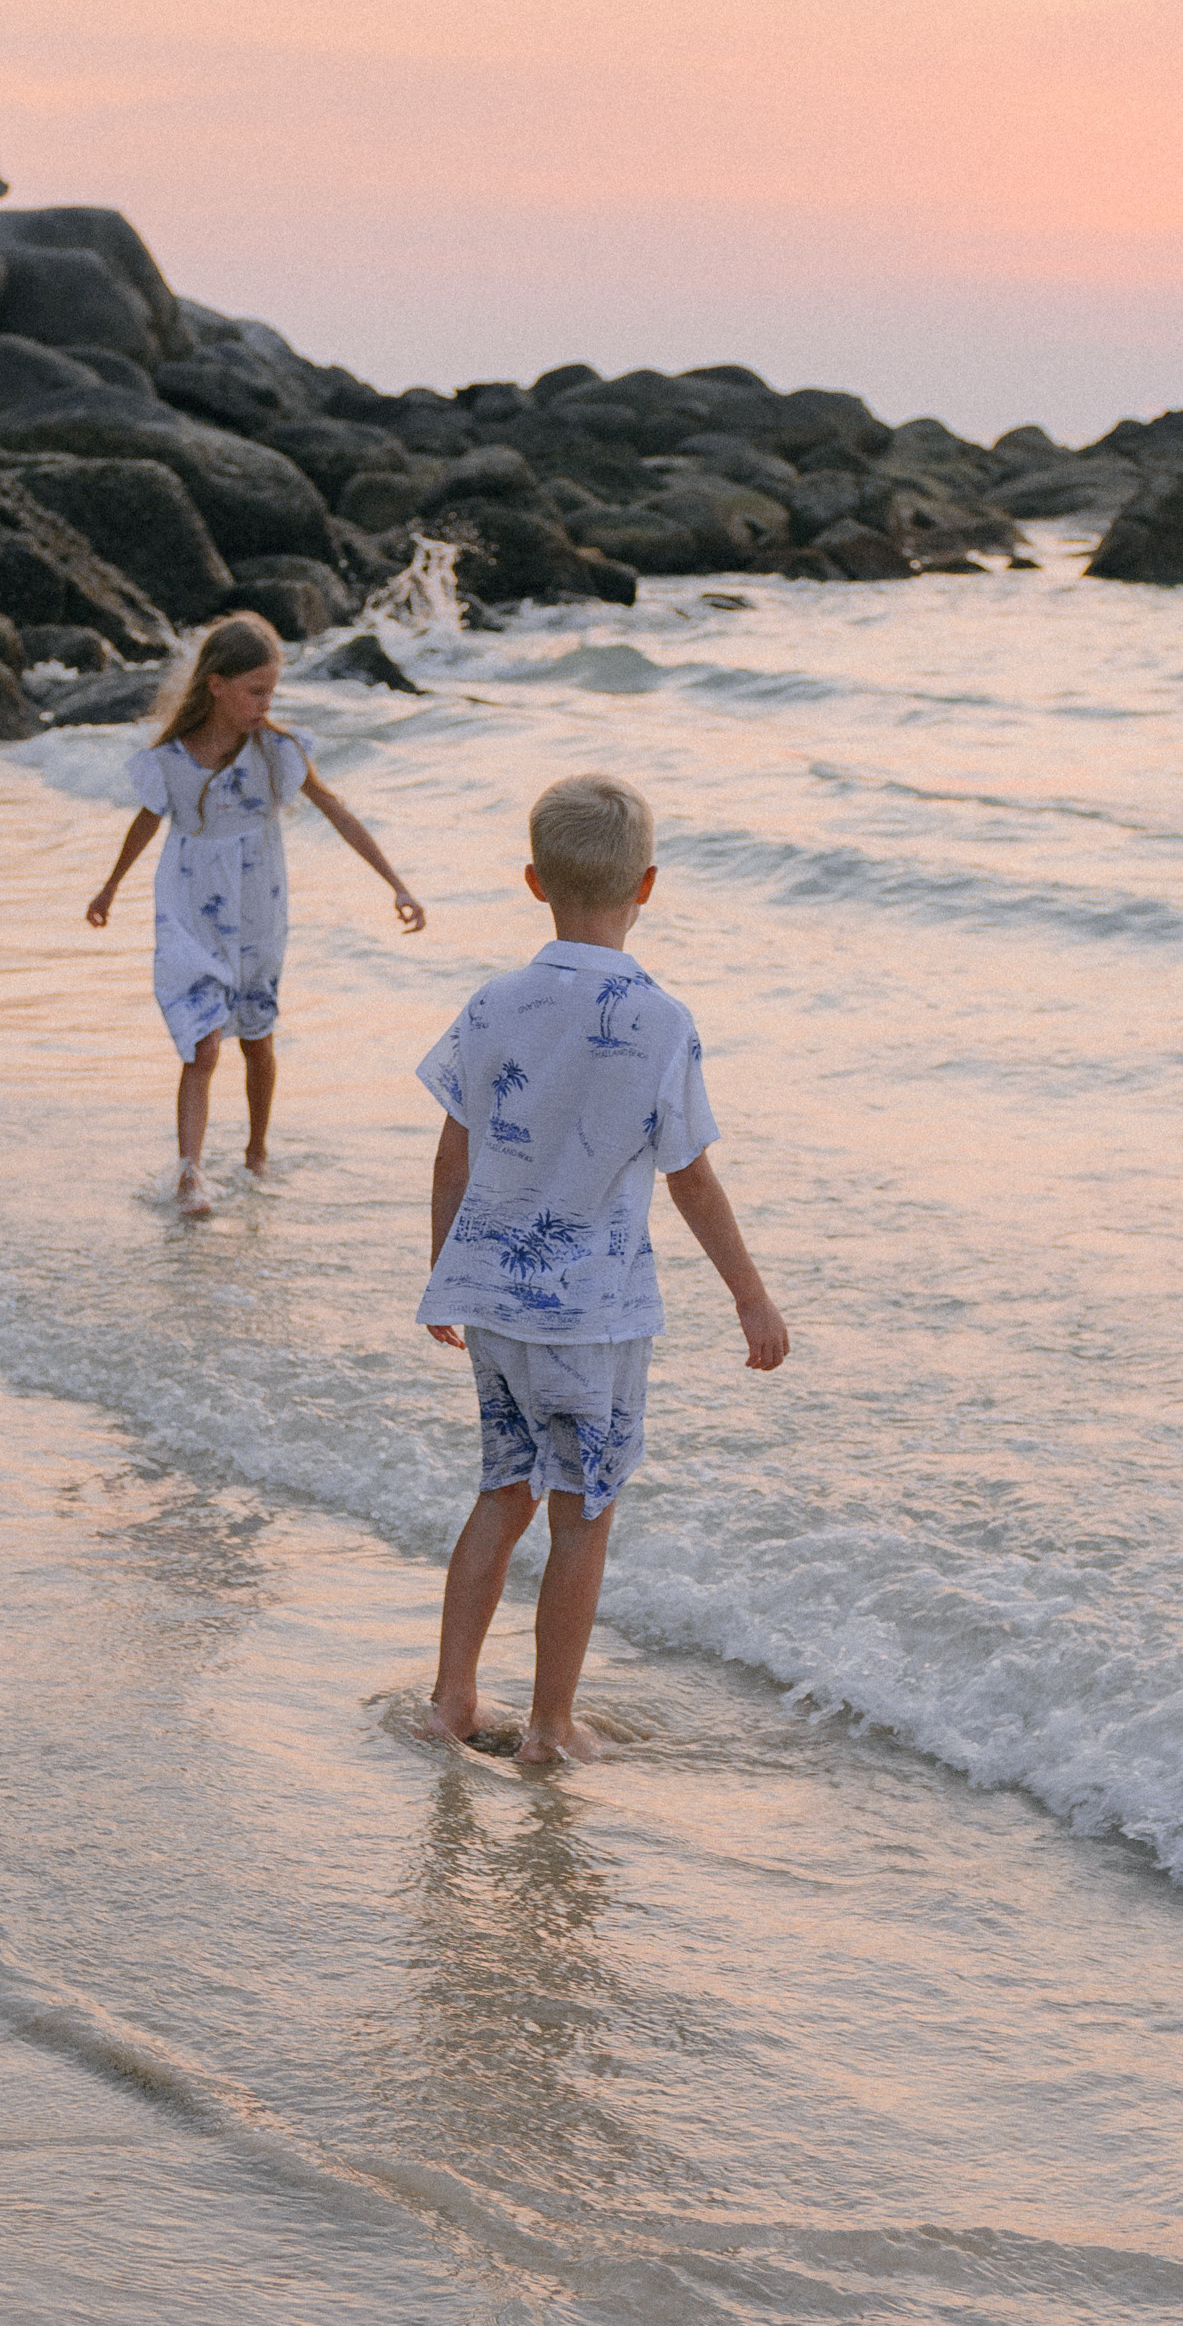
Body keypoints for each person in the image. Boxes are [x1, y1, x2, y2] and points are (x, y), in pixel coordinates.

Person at [417, 771, 790, 1763]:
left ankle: (451, 1699)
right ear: (648, 885)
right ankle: (546, 1725)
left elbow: (452, 1149)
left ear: (533, 881)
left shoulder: (493, 1002)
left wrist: (441, 1271)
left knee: (503, 1492)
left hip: (492, 1302)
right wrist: (749, 1298)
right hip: (593, 1317)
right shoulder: (659, 1020)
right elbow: (691, 1180)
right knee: (582, 1510)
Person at [86, 611, 427, 1215]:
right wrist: (110, 887)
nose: (266, 702)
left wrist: (397, 883)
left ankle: (256, 1151)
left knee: (257, 1039)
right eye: (255, 691)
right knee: (204, 1043)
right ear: (216, 684)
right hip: (191, 909)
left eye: (272, 690)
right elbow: (146, 820)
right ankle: (190, 1174)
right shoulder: (170, 758)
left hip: (259, 912)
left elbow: (337, 811)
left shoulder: (279, 752)